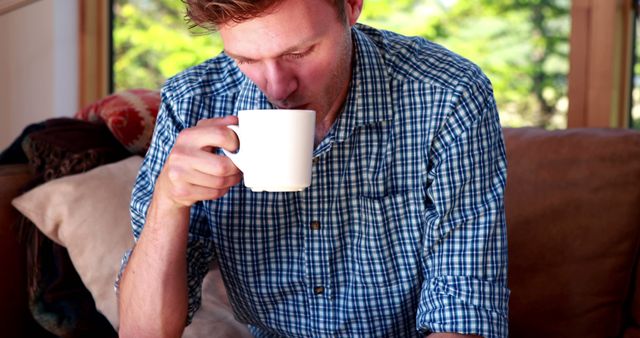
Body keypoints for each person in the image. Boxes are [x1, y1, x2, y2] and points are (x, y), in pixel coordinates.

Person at [116, 0, 510, 337]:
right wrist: (168, 202)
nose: (277, 86)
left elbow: (464, 307)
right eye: (246, 59)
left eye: (299, 53)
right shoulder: (192, 103)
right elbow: (142, 330)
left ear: (352, 6)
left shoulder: (448, 95)